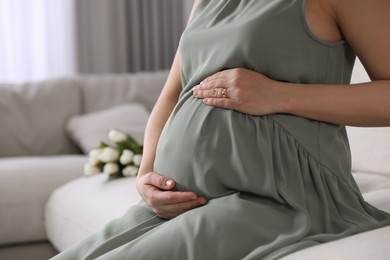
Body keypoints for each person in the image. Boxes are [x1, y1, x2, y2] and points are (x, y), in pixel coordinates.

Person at [52, 0, 390, 259]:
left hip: (278, 200)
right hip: (183, 201)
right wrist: (146, 177)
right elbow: (173, 92)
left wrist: (279, 95)